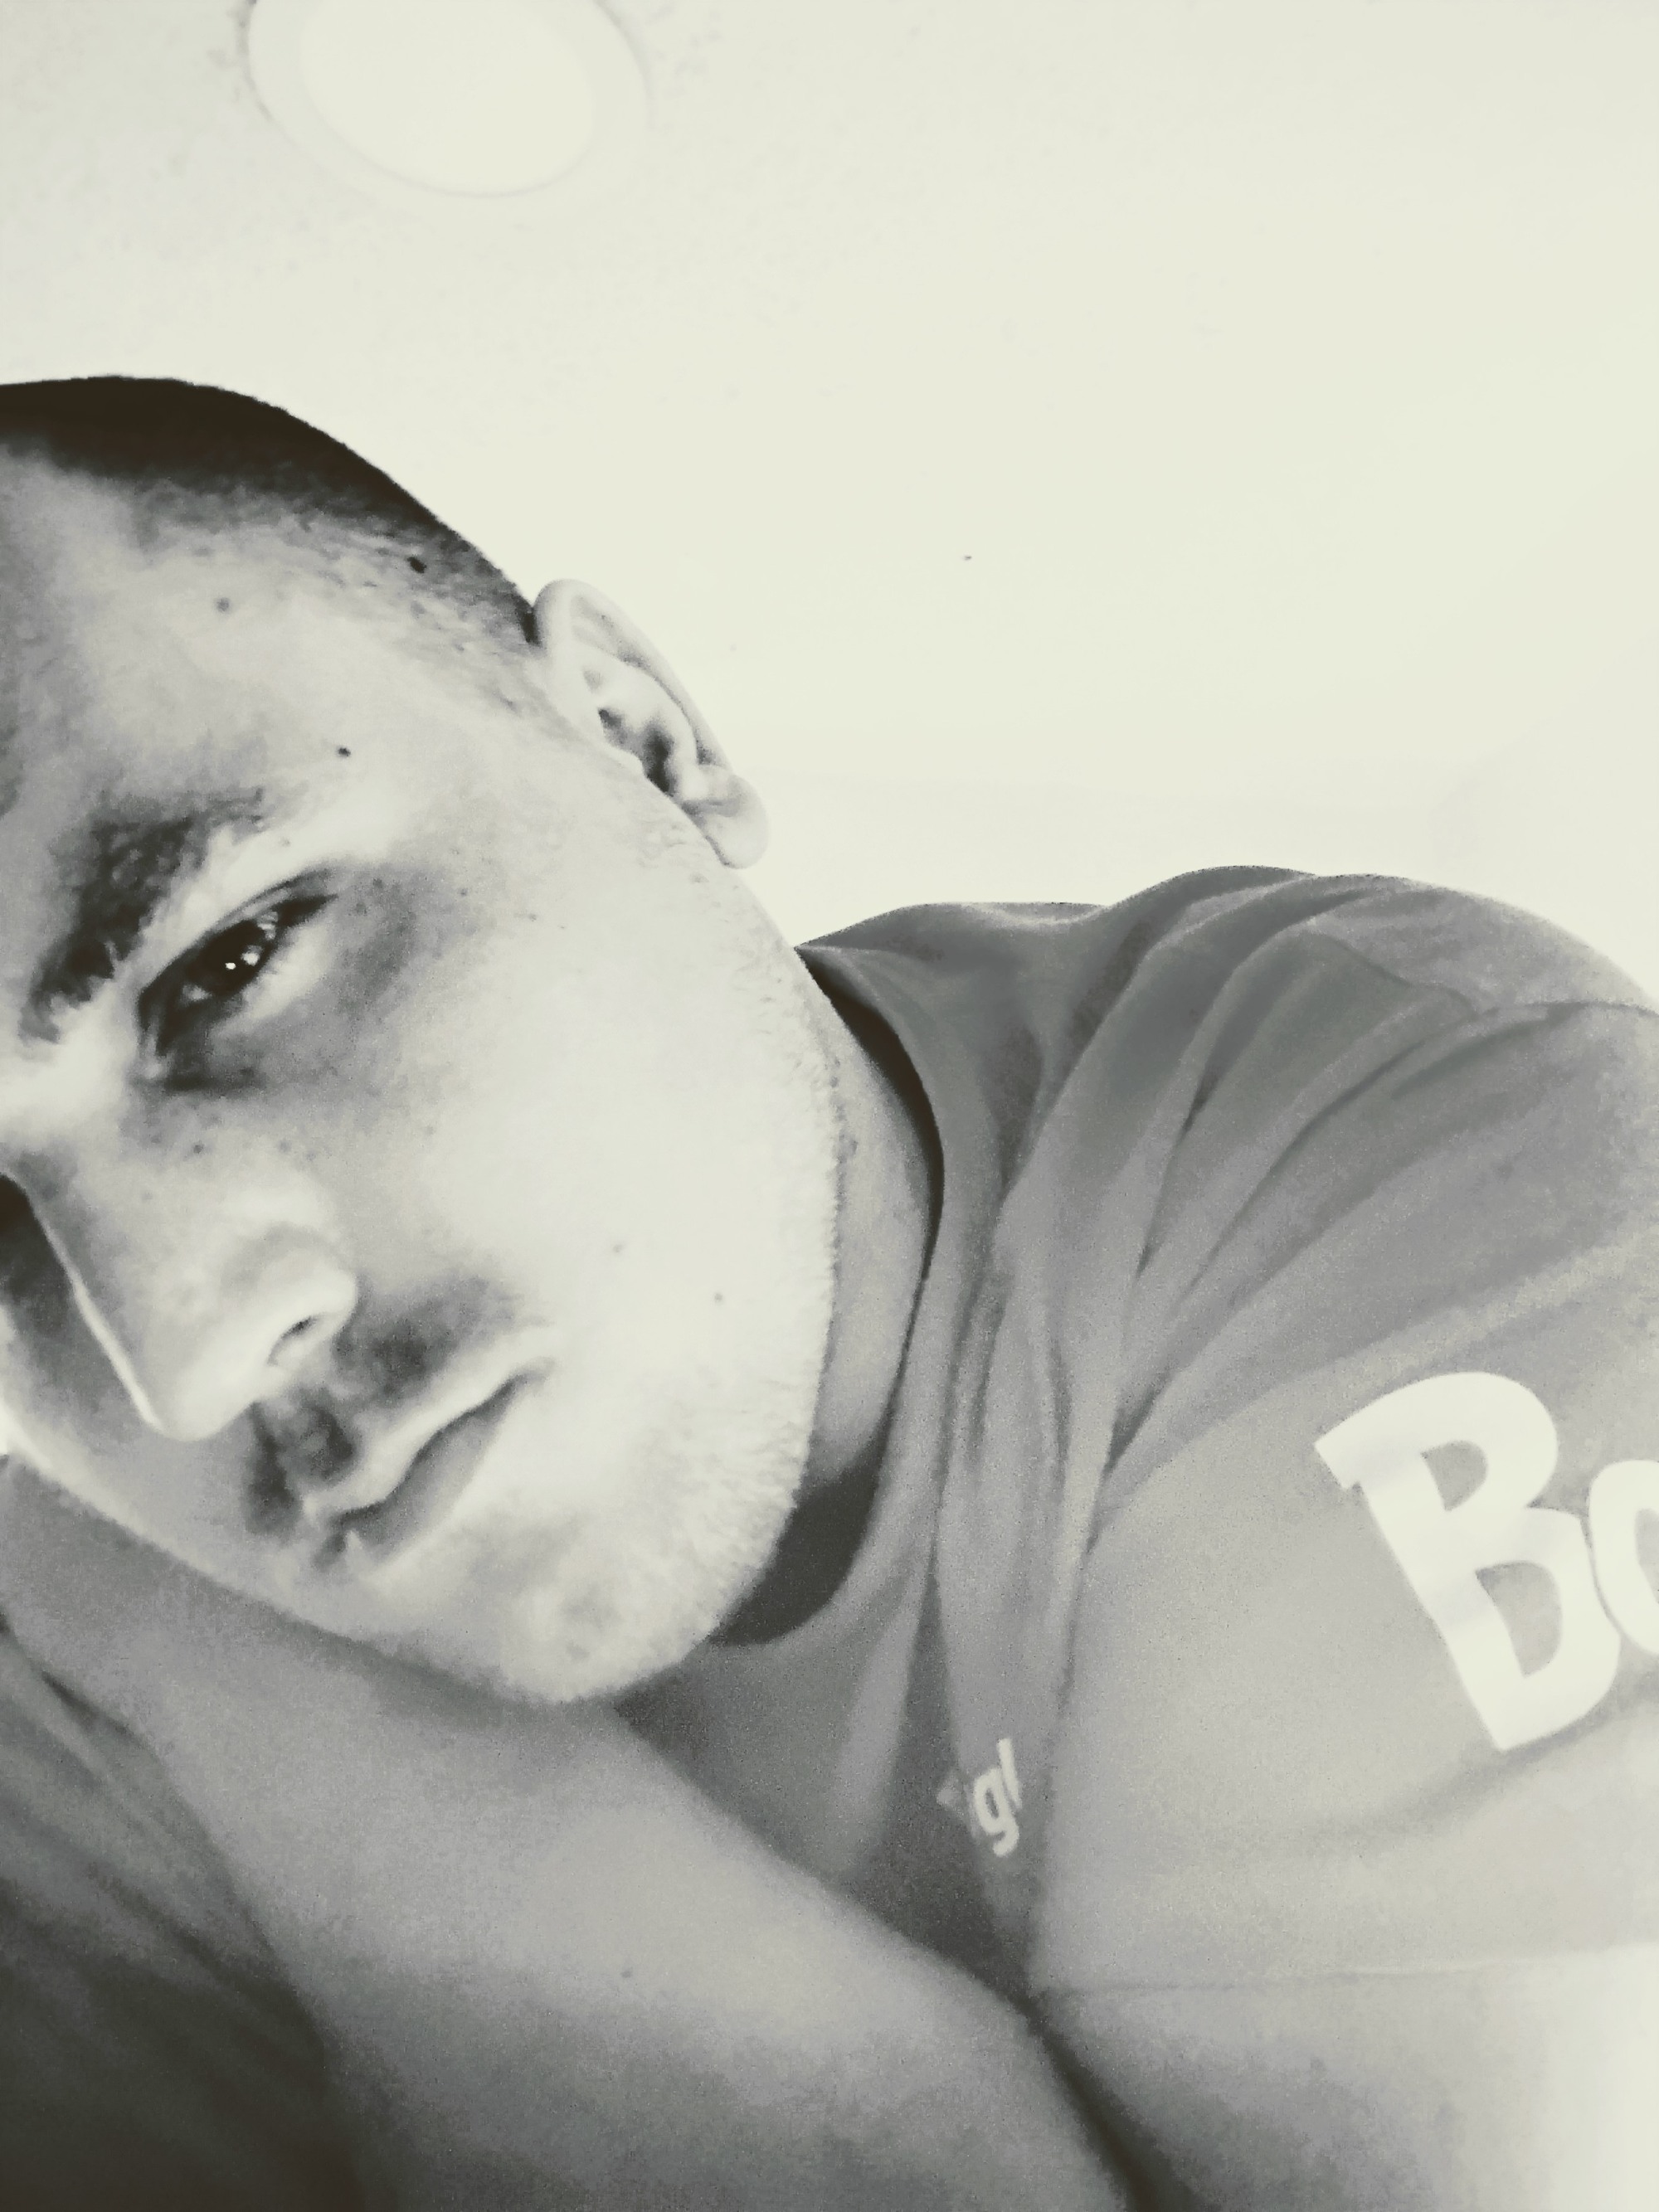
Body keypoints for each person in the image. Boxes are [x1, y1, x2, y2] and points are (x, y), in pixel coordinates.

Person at [0, 377, 1656, 2210]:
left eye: (227, 962)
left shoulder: (1381, 1118)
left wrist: (256, 1700)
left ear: (642, 739)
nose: (180, 1357)